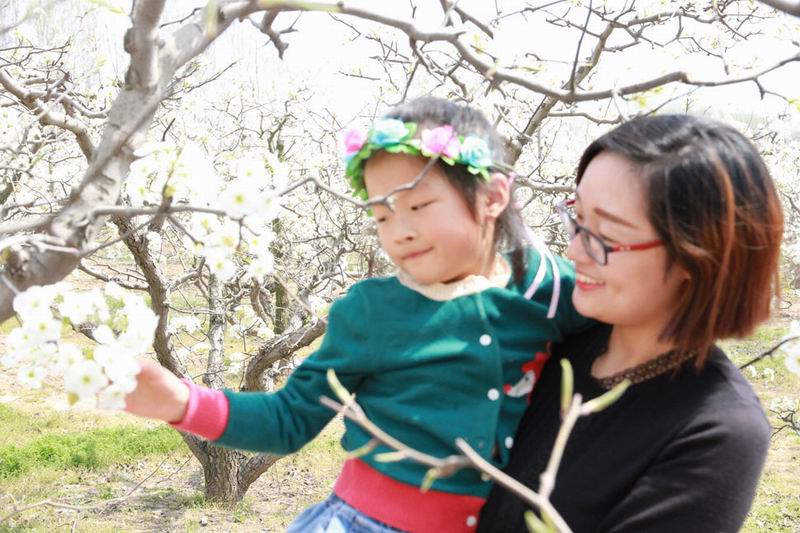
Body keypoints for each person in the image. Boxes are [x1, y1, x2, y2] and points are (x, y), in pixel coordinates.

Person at [123, 96, 589, 533]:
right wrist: (184, 404)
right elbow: (288, 420)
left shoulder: (546, 286)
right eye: (382, 216)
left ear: (492, 197)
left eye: (419, 206)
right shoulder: (373, 311)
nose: (399, 232)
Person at [478, 114, 783, 532]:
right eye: (578, 219)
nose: (575, 251)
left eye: (606, 235)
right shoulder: (552, 333)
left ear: (698, 254)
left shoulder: (717, 431)